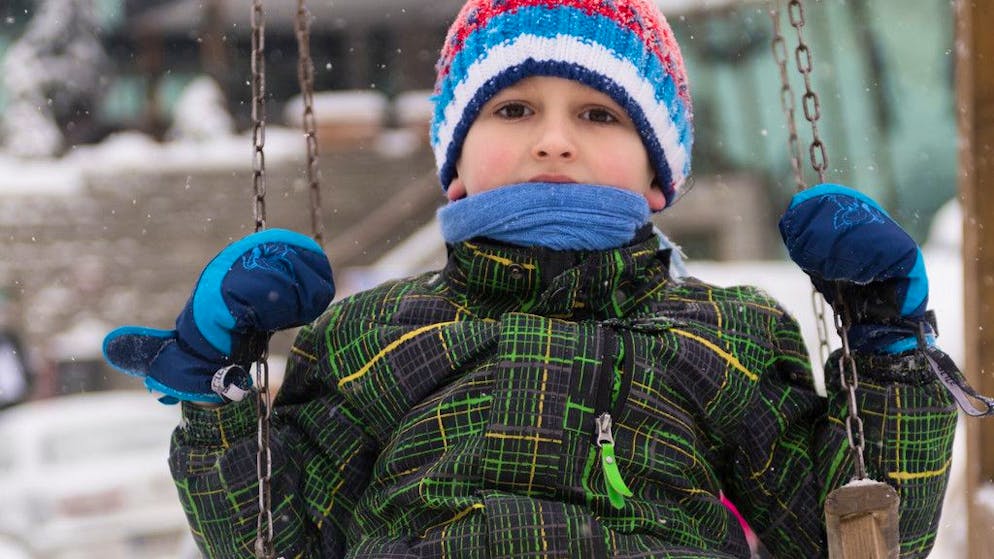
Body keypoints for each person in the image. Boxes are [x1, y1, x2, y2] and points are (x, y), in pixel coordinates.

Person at [104, 1, 966, 557]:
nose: (554, 140)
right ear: (455, 166)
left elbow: (850, 537)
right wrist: (218, 392)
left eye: (598, 114)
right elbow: (275, 540)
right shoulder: (373, 334)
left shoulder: (728, 334)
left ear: (659, 175)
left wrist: (887, 350)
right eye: (513, 109)